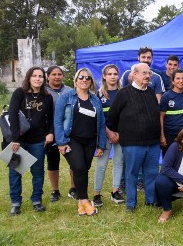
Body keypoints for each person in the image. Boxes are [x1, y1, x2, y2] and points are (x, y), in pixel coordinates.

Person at [107, 62, 161, 212]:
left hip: (152, 142)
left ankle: (151, 200)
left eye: (149, 73)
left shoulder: (150, 92)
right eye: (144, 73)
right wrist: (116, 132)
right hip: (132, 143)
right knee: (131, 173)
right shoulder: (124, 93)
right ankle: (131, 203)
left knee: (151, 173)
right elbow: (112, 116)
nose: (147, 76)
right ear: (134, 75)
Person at [54, 68, 107, 216]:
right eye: (81, 77)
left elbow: (101, 123)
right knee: (79, 167)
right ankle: (85, 200)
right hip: (71, 140)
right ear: (75, 80)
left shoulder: (95, 99)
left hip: (90, 141)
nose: (84, 80)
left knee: (84, 168)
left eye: (88, 78)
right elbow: (57, 120)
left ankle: (81, 204)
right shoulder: (66, 97)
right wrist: (61, 142)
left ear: (91, 81)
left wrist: (101, 144)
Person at [7, 67, 54, 216]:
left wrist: (50, 133)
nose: (38, 79)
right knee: (15, 172)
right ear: (29, 78)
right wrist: (15, 139)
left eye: (40, 76)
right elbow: (13, 115)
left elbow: (51, 118)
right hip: (19, 141)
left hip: (38, 141)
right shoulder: (19, 93)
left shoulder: (47, 97)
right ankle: (15, 203)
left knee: (38, 172)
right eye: (35, 76)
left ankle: (36, 200)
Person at [93, 64, 125, 206]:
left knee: (119, 162)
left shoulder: (123, 93)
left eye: (115, 74)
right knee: (102, 164)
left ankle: (115, 191)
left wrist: (118, 133)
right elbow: (98, 118)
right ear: (104, 76)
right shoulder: (98, 95)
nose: (112, 76)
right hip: (104, 134)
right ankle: (97, 194)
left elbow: (126, 115)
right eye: (109, 74)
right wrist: (109, 133)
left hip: (120, 134)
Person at [45, 65, 74, 202]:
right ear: (48, 76)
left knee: (74, 161)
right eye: (54, 74)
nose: (57, 77)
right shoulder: (43, 91)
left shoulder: (69, 90)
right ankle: (55, 190)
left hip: (68, 132)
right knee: (53, 161)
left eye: (59, 74)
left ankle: (73, 188)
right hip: (51, 132)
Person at [159, 69, 183, 157]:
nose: (181, 81)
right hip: (169, 134)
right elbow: (161, 117)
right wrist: (162, 136)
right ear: (173, 81)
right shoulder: (166, 96)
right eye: (178, 78)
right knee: (169, 159)